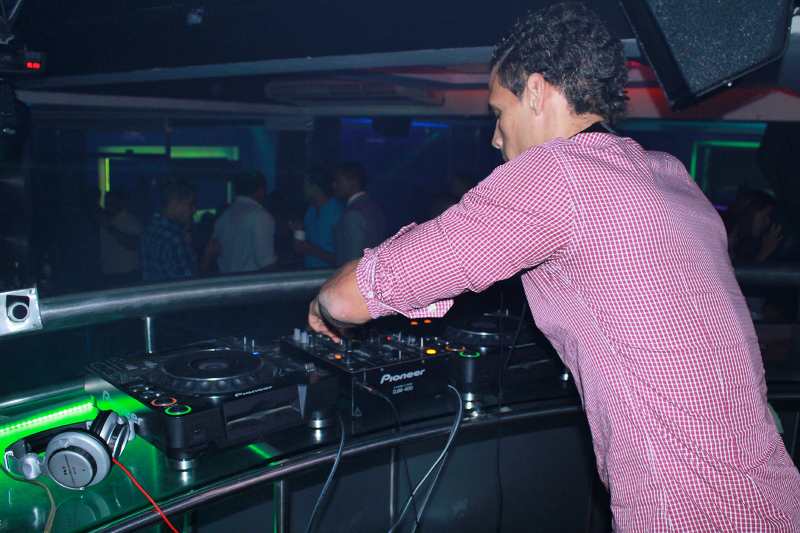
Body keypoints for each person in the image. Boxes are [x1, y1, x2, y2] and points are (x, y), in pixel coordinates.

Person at [307, 3, 800, 532]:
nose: (496, 137)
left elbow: (348, 298)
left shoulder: (557, 173)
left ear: (537, 92)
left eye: (499, 112)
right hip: (771, 491)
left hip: (688, 506)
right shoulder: (669, 174)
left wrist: (321, 302)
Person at [140, 177, 219, 281]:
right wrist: (208, 256)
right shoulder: (175, 238)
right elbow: (190, 284)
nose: (194, 211)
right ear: (175, 204)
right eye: (190, 205)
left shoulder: (149, 230)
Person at [213, 168, 277, 273]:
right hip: (252, 282)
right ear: (261, 190)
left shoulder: (223, 217)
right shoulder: (260, 216)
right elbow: (267, 263)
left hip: (226, 281)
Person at [331, 162, 386, 265]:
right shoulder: (374, 208)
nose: (333, 185)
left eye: (338, 182)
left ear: (353, 183)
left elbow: (353, 261)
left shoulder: (353, 214)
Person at [293, 165, 344, 268]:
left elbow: (344, 258)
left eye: (305, 185)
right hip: (309, 272)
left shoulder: (339, 213)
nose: (303, 189)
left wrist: (311, 250)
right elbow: (305, 246)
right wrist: (299, 230)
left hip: (331, 274)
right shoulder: (311, 211)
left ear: (315, 188)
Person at [725, 187, 784, 263]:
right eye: (764, 216)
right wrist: (764, 253)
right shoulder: (726, 243)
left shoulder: (749, 244)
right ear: (749, 215)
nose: (768, 222)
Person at [99, 186, 142, 285]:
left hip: (127, 276)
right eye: (107, 205)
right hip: (108, 275)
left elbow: (133, 244)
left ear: (121, 204)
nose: (109, 208)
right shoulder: (105, 220)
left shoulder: (131, 222)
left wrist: (110, 228)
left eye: (112, 205)